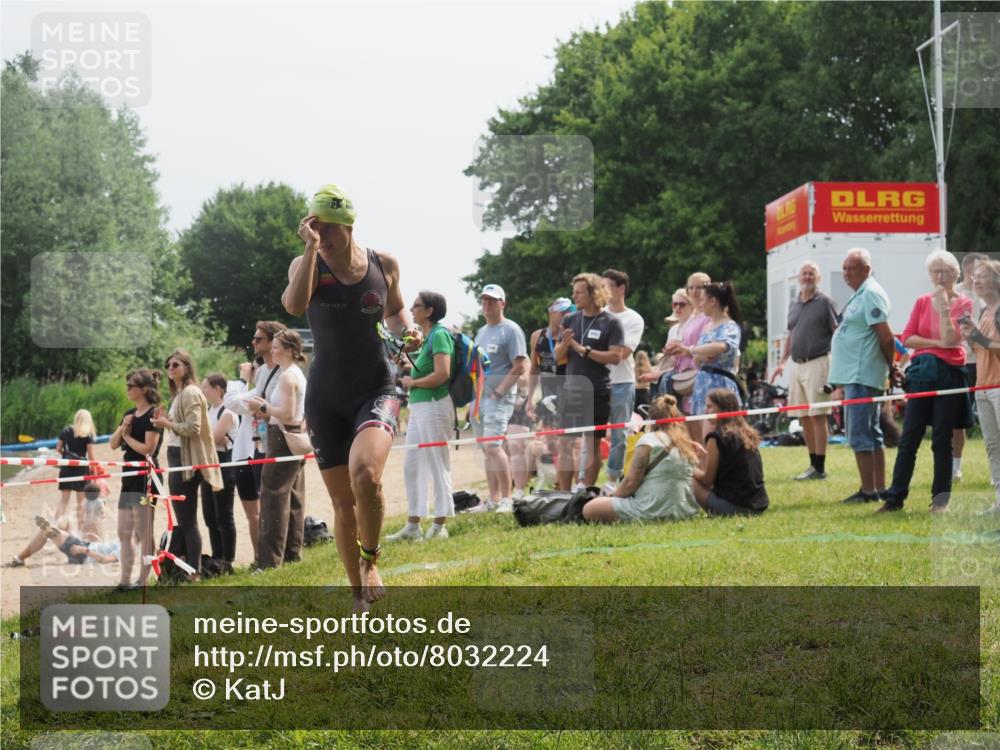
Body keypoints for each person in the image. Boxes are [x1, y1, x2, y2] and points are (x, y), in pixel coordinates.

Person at [282, 184, 422, 606]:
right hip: (325, 396)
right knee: (343, 504)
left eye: (328, 228)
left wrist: (408, 333)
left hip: (376, 386)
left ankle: (371, 558)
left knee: (366, 475)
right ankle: (360, 596)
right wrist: (309, 251)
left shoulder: (384, 263)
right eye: (314, 226)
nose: (321, 234)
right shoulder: (306, 263)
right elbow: (293, 305)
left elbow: (396, 314)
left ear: (349, 225)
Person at [878, 250, 973, 513]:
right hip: (922, 374)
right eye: (934, 272)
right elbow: (908, 337)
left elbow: (952, 340)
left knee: (942, 439)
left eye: (944, 271)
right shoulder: (921, 301)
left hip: (950, 374)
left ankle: (940, 501)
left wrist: (944, 309)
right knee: (909, 438)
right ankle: (895, 498)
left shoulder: (964, 304)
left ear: (956, 274)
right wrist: (933, 343)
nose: (939, 277)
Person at [828, 248, 895, 504]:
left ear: (866, 270)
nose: (846, 273)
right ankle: (878, 488)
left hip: (862, 374)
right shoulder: (861, 294)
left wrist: (891, 366)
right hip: (857, 374)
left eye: (852, 268)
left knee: (860, 433)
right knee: (872, 431)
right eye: (844, 268)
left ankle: (868, 491)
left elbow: (886, 336)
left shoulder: (871, 294)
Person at [388, 291, 456, 541]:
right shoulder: (426, 337)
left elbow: (442, 374)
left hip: (435, 405)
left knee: (438, 464)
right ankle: (413, 525)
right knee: (412, 465)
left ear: (429, 311)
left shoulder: (439, 335)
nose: (412, 310)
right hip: (418, 407)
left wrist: (413, 383)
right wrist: (408, 369)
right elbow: (422, 367)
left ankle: (440, 525)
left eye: (416, 306)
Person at [152, 350, 223, 580]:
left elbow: (194, 428)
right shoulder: (181, 393)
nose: (170, 368)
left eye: (175, 364)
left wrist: (167, 424)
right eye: (168, 365)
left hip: (185, 461)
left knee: (188, 521)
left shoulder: (191, 392)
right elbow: (184, 425)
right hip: (178, 457)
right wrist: (167, 421)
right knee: (185, 519)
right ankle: (191, 566)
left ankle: (195, 571)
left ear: (186, 367)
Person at [554, 273, 625, 490]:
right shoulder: (569, 320)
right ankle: (563, 495)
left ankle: (586, 491)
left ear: (594, 293)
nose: (574, 296)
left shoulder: (611, 322)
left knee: (592, 444)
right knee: (565, 444)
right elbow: (557, 357)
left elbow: (616, 356)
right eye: (573, 292)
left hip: (597, 390)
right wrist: (566, 345)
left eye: (579, 292)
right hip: (572, 389)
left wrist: (585, 351)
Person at [582, 395, 701, 524]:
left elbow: (631, 482)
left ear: (650, 419)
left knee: (589, 508)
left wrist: (613, 497)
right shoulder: (687, 444)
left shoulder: (648, 441)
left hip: (651, 509)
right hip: (684, 510)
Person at [224, 320, 288, 560]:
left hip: (267, 447)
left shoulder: (281, 374)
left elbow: (235, 402)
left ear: (273, 342)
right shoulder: (262, 375)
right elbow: (242, 404)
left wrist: (242, 380)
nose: (253, 342)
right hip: (246, 450)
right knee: (252, 512)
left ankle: (273, 556)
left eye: (258, 339)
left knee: (272, 507)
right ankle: (258, 556)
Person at [771, 262, 839, 480]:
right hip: (796, 364)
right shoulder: (794, 303)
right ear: (798, 278)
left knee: (818, 415)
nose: (807, 277)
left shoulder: (825, 302)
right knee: (804, 416)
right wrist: (782, 362)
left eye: (812, 274)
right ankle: (812, 465)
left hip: (818, 362)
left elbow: (836, 333)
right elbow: (791, 334)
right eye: (804, 273)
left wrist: (837, 366)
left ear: (818, 278)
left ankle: (820, 468)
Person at [248, 330, 309, 568]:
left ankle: (270, 561)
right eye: (272, 346)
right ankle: (292, 554)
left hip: (282, 437)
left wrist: (263, 406)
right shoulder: (295, 373)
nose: (272, 350)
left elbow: (287, 412)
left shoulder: (287, 376)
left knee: (273, 495)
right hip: (291, 436)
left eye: (276, 347)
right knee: (292, 496)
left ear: (291, 350)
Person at [469, 284, 528, 513]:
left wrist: (499, 392)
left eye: (492, 300)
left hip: (498, 398)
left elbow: (520, 365)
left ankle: (507, 498)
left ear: (502, 303)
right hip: (480, 398)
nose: (487, 304)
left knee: (494, 446)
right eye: (484, 300)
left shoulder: (511, 330)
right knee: (486, 449)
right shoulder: (481, 332)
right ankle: (493, 499)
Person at [108, 369, 163, 588]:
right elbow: (112, 444)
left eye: (131, 386)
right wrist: (123, 428)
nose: (127, 389)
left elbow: (148, 449)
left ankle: (143, 580)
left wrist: (128, 436)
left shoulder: (154, 416)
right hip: (129, 477)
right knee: (124, 532)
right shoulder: (129, 414)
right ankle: (124, 581)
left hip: (146, 477)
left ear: (144, 390)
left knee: (144, 532)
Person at [679, 282, 744, 440]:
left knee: (716, 435)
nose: (700, 304)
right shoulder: (708, 327)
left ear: (713, 301)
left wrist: (692, 349)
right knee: (701, 437)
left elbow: (722, 346)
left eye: (703, 300)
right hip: (703, 383)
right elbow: (699, 359)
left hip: (719, 385)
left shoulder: (729, 326)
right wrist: (700, 354)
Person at [960, 258, 1000, 512]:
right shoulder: (984, 311)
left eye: (982, 275)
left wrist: (978, 338)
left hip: (998, 387)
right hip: (983, 387)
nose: (975, 280)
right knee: (992, 446)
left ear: (996, 280)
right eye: (974, 276)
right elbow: (981, 350)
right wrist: (970, 337)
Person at [601, 269, 645, 494]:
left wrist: (594, 350)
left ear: (621, 289)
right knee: (591, 433)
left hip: (622, 382)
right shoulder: (597, 314)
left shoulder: (634, 318)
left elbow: (622, 354)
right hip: (597, 382)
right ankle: (585, 480)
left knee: (619, 434)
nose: (603, 290)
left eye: (607, 286)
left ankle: (612, 480)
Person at [693, 389, 769, 516]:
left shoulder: (716, 437)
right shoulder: (748, 433)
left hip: (735, 507)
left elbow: (707, 480)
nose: (705, 411)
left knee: (688, 479)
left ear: (723, 409)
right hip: (759, 505)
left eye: (709, 407)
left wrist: (689, 468)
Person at [954, 251, 989, 480]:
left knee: (991, 416)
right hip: (962, 361)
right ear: (967, 270)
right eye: (978, 272)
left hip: (985, 362)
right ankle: (956, 466)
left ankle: (994, 470)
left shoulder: (989, 296)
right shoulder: (956, 294)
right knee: (958, 416)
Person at [201, 373, 239, 572]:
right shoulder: (209, 410)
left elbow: (213, 437)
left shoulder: (227, 411)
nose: (203, 391)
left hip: (223, 463)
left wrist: (208, 436)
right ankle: (217, 555)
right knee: (209, 514)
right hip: (208, 462)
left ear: (218, 389)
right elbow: (208, 437)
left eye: (206, 387)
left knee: (223, 513)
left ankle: (227, 558)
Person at [641, 288, 694, 405]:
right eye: (674, 304)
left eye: (682, 304)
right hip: (673, 378)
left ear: (692, 305)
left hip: (690, 378)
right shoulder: (674, 330)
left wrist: (679, 350)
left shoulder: (695, 326)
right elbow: (672, 362)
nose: (677, 308)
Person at [6, 516, 120, 568]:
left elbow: (105, 560)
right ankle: (57, 530)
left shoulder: (127, 548)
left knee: (46, 531)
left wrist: (84, 550)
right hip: (84, 547)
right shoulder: (126, 542)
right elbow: (105, 551)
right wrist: (95, 541)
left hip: (82, 553)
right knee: (66, 522)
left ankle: (19, 559)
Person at [54, 409, 97, 530]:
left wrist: (66, 455)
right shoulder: (87, 433)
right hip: (81, 468)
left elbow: (58, 448)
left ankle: (55, 526)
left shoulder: (66, 430)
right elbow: (91, 455)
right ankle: (79, 527)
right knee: (80, 502)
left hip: (66, 466)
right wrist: (94, 470)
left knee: (63, 500)